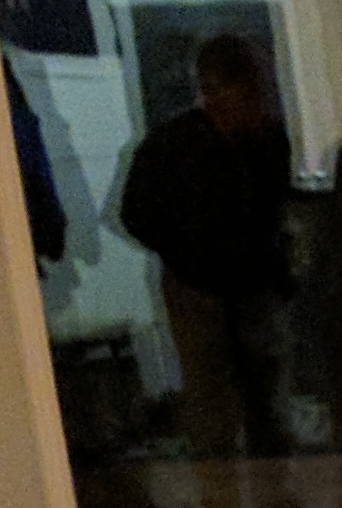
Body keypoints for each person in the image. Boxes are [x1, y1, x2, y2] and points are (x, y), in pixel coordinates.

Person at [116, 32, 293, 457]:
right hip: (199, 289)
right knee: (212, 399)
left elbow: (272, 207)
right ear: (216, 92)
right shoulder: (170, 146)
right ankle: (223, 499)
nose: (258, 100)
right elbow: (136, 214)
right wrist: (187, 255)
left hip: (251, 285)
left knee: (265, 396)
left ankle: (274, 496)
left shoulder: (267, 141)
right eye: (250, 90)